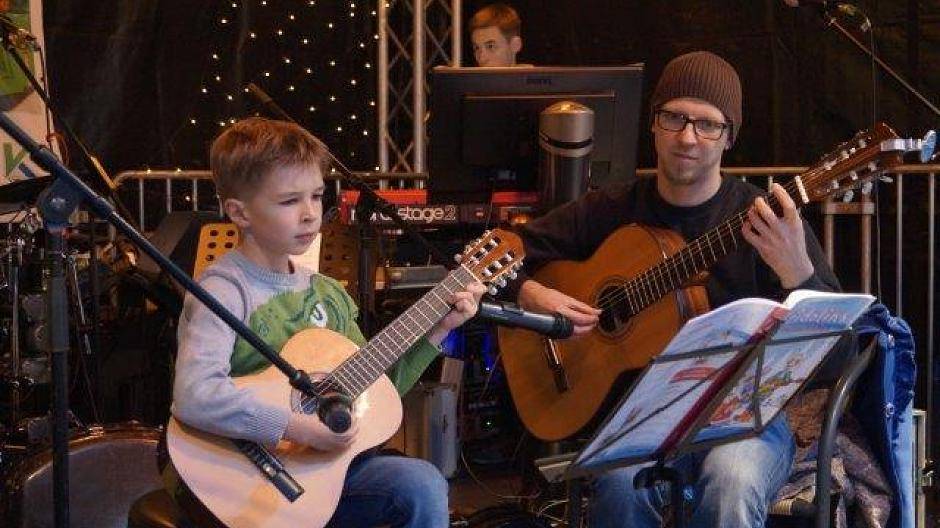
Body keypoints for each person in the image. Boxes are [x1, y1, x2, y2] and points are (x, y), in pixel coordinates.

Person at [511, 51, 841, 527]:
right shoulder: (610, 209)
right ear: (653, 124)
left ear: (729, 137)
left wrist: (799, 274)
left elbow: (838, 355)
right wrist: (529, 293)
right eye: (674, 118)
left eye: (707, 125)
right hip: (642, 420)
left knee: (731, 482)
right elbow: (498, 255)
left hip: (743, 419)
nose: (687, 137)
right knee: (618, 488)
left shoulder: (767, 222)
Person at [168, 117, 485, 527]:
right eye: (289, 201)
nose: (309, 214)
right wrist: (295, 427)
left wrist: (440, 328)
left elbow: (376, 392)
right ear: (239, 213)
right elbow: (195, 394)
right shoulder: (224, 291)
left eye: (316, 196)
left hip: (322, 475)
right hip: (247, 480)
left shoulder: (327, 293)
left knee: (420, 483)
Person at [469, 3, 524, 67]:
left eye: (490, 46)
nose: (482, 58)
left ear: (515, 45)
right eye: (476, 48)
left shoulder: (531, 73)